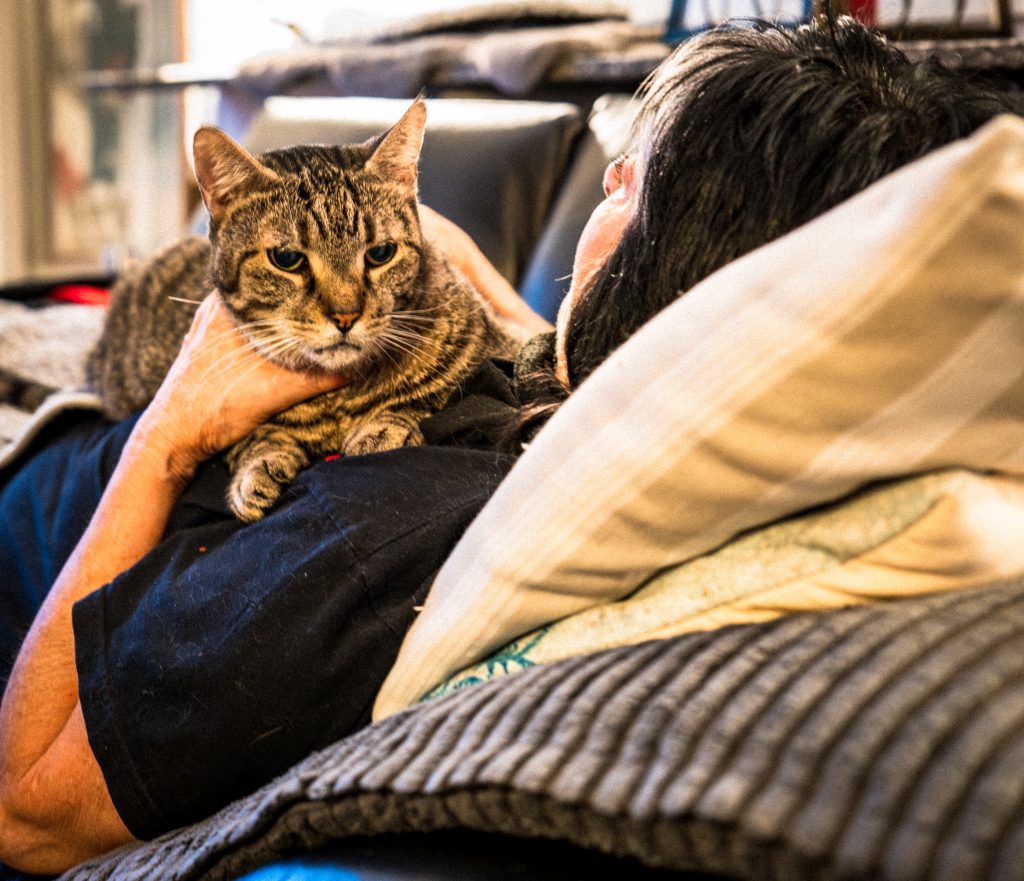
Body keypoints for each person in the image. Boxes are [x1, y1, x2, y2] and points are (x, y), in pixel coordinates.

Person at [0, 14, 1020, 875]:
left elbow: (28, 811)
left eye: (627, 184)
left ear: (673, 255)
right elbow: (586, 360)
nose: (605, 181)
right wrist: (484, 286)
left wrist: (169, 430)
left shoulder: (369, 538)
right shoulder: (615, 414)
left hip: (37, 513)